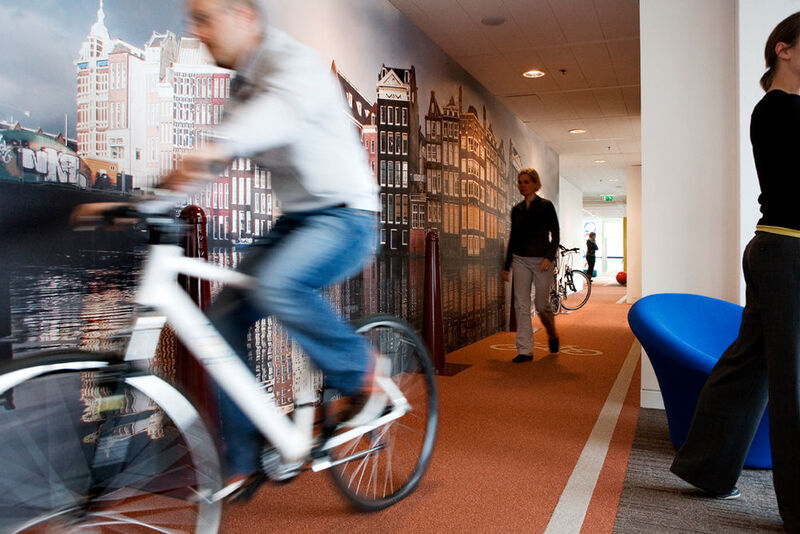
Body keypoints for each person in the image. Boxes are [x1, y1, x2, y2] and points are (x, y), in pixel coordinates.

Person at [71, 0, 383, 499]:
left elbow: (256, 126)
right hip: (300, 219)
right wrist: (146, 203)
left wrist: (212, 149)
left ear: (243, 14)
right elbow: (217, 160)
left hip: (348, 216)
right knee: (222, 323)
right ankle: (243, 457)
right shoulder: (241, 88)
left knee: (279, 283)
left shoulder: (292, 64)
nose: (196, 31)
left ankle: (360, 372)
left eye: (204, 18)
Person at [670, 12, 800, 532]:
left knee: (751, 365)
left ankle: (708, 467)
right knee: (792, 383)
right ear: (784, 50)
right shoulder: (775, 110)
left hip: (778, 252)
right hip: (785, 251)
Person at [501, 168, 560, 363]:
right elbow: (513, 238)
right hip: (520, 260)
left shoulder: (546, 206)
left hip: (542, 261)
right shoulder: (516, 210)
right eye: (519, 182)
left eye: (526, 182)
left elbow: (556, 234)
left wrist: (549, 258)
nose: (522, 185)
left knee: (541, 306)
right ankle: (525, 350)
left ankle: (552, 334)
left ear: (535, 184)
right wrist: (506, 265)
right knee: (521, 304)